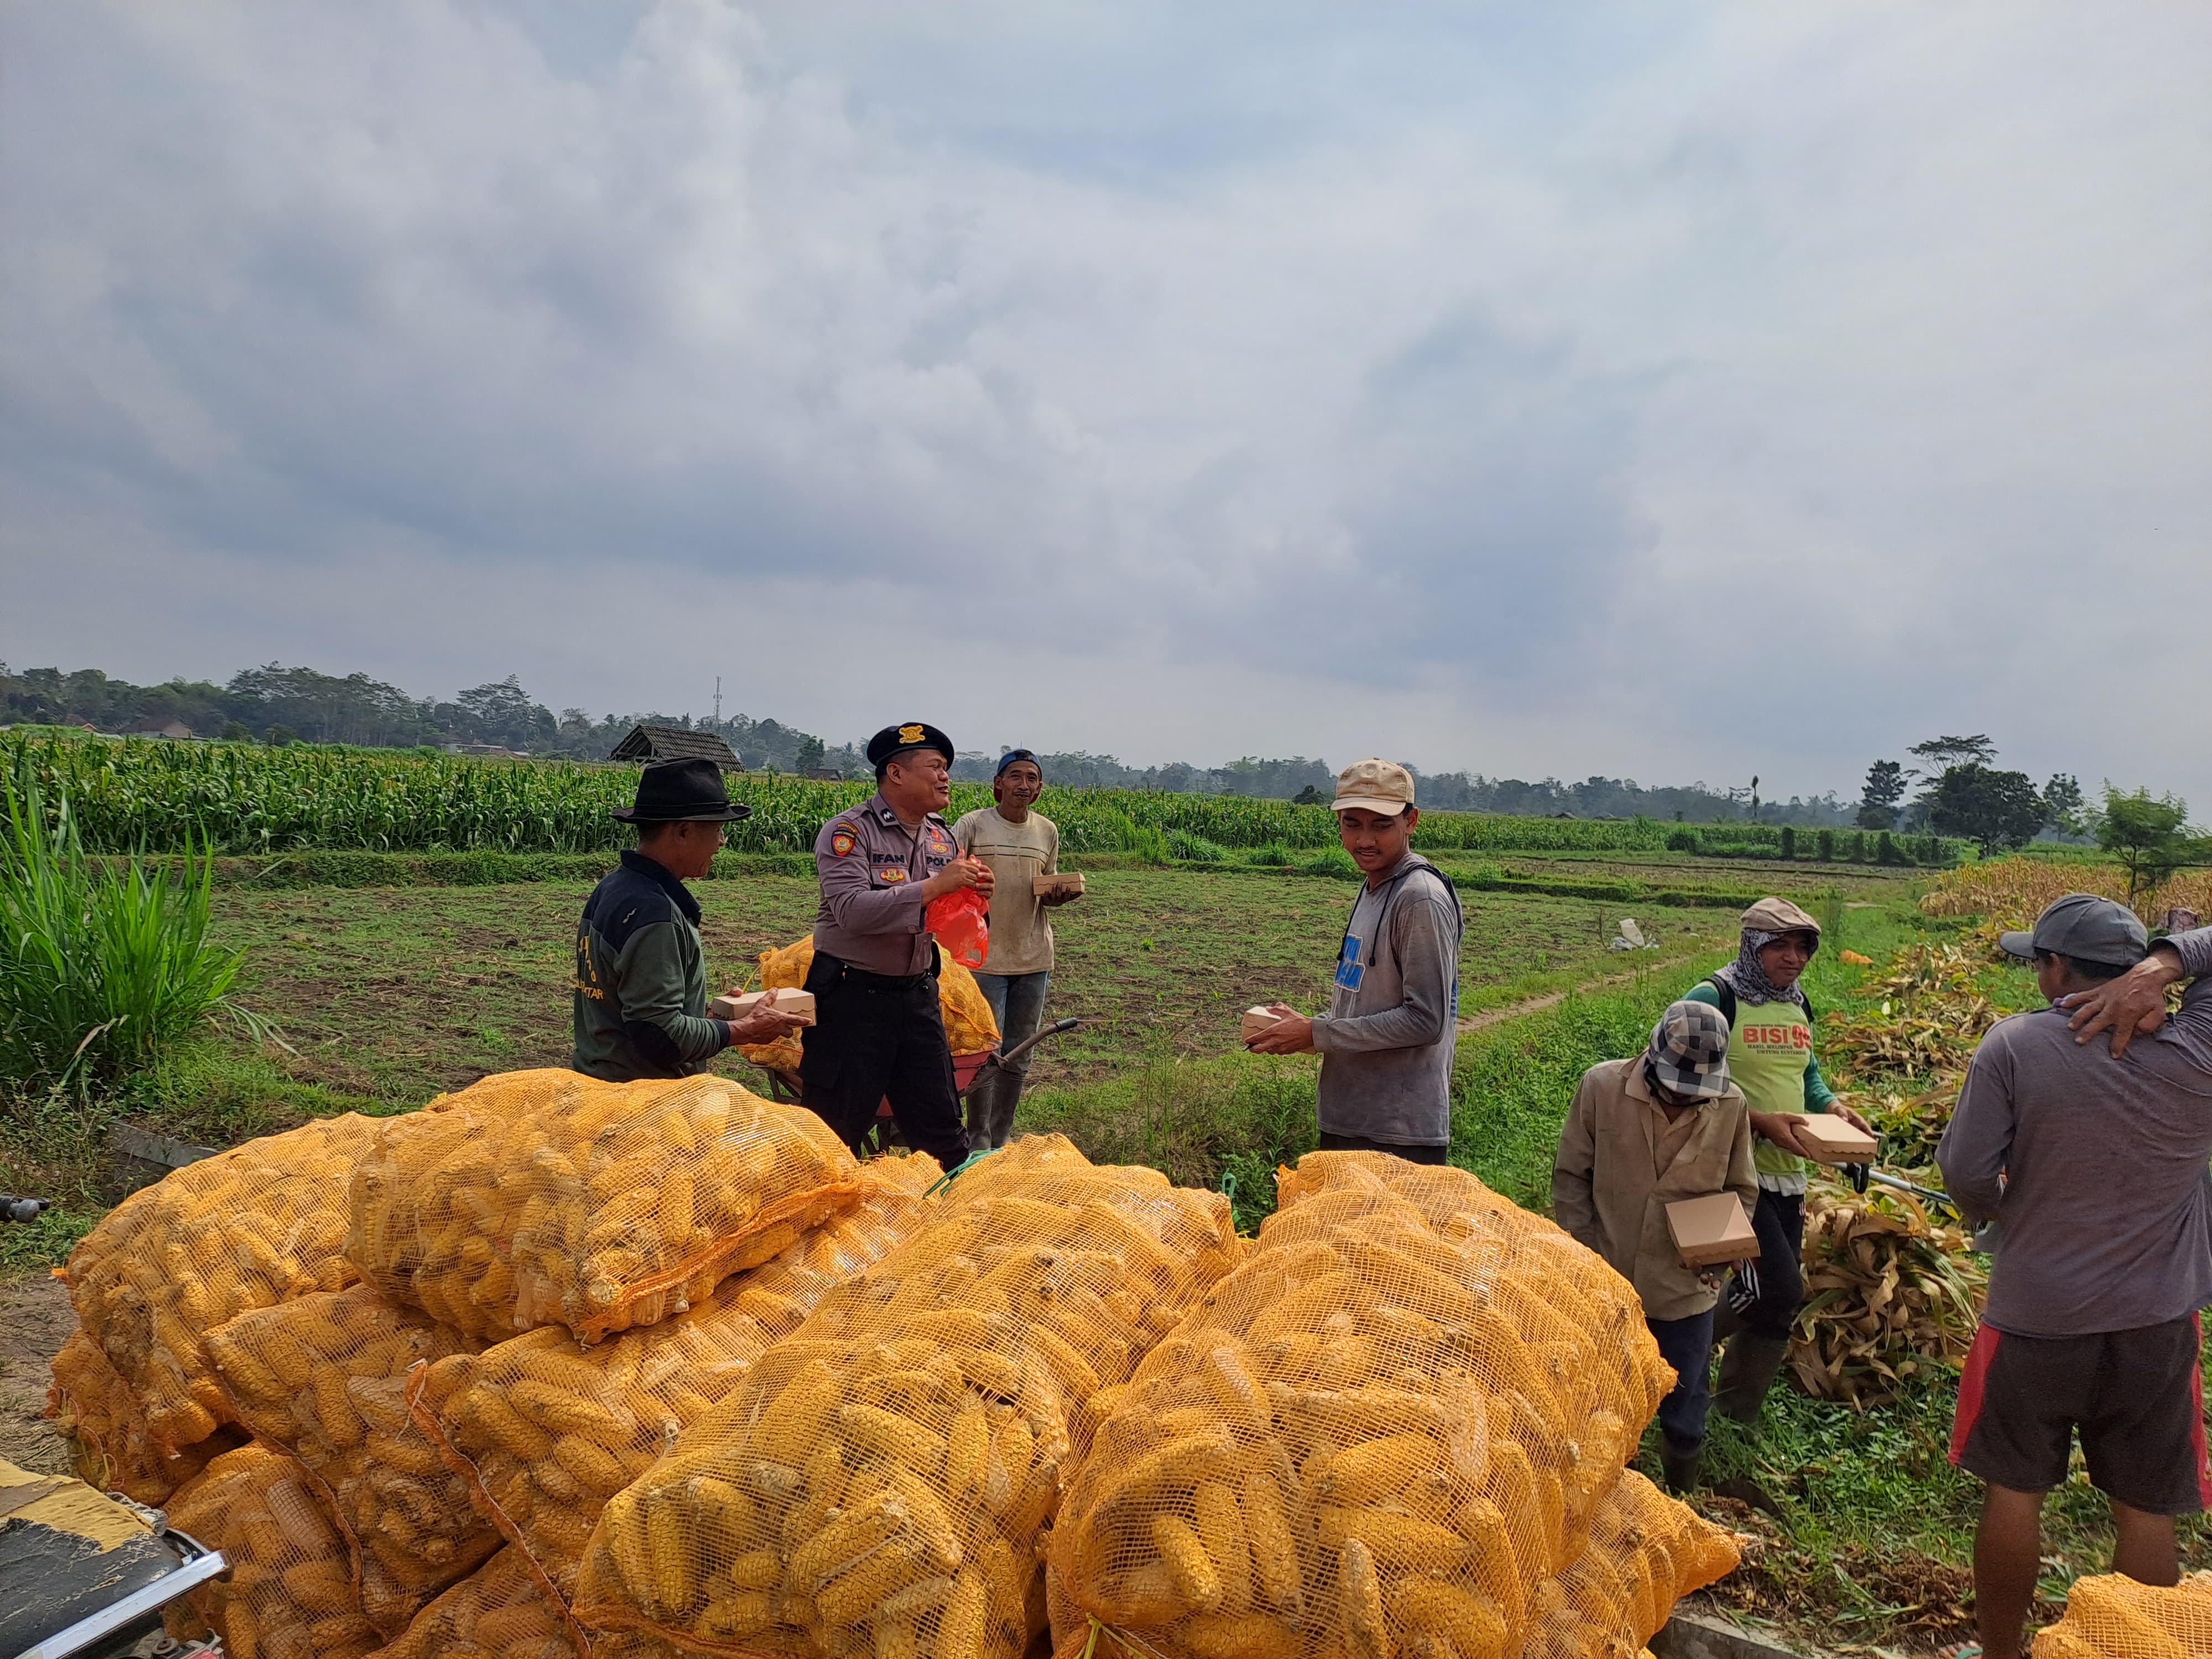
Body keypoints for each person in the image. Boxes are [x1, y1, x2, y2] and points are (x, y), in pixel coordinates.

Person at [1937, 896, 2212, 1659]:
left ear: (2056, 968)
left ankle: (2001, 1654)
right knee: (2146, 1508)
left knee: (2015, 1492)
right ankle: (2139, 1650)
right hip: (2158, 1320)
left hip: (2036, 1315)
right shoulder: (2198, 1047)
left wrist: (1996, 1213)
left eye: (2038, 960)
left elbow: (1965, 1170)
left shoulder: (2017, 1046)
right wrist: (2170, 963)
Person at [1682, 896, 1875, 1425]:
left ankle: (1736, 1413)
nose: (1794, 958)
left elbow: (1806, 1076)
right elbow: (1675, 1078)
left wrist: (1835, 1107)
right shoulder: (1715, 997)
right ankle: (1665, 1353)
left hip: (1787, 1174)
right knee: (1774, 1288)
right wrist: (1761, 1121)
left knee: (1777, 1299)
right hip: (1728, 1170)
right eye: (1780, 946)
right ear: (1751, 946)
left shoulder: (1795, 1003)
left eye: (1803, 947)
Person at [1553, 1000, 1756, 1494]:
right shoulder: (1602, 1088)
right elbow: (1571, 1179)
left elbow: (1742, 1189)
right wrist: (1586, 1256)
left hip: (1683, 1291)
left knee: (1684, 1402)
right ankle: (1595, 1489)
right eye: (1674, 1091)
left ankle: (1679, 1493)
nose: (1682, 1101)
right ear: (1652, 1060)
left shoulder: (1730, 1106)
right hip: (1606, 1277)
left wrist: (1720, 1250)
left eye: (1694, 1096)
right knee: (1597, 1396)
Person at [1246, 758, 1465, 1164]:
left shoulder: (1419, 898)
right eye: (1352, 824)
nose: (1365, 840)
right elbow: (1369, 1001)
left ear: (1411, 821)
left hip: (1396, 1133)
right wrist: (1305, 1027)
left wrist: (1318, 1034)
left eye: (1381, 825)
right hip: (1353, 1118)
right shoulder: (1374, 887)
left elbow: (1426, 1020)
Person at [798, 722, 991, 1170]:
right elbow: (852, 910)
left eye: (946, 769)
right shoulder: (849, 832)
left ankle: (949, 1225)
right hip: (851, 1001)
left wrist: (977, 899)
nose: (946, 777)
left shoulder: (943, 837)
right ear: (896, 774)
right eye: (935, 767)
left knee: (944, 1135)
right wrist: (935, 886)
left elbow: (949, 921)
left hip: (918, 997)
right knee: (832, 1136)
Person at [572, 758, 810, 1082]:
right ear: (683, 832)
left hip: (598, 1076)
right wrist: (742, 1030)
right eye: (717, 830)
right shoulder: (654, 913)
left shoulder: (615, 888)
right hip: (641, 1097)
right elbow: (660, 1035)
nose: (722, 842)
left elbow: (635, 1007)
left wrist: (707, 1019)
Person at [952, 749, 1081, 1148]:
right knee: (983, 1051)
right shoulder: (972, 825)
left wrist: (1058, 895)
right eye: (1014, 777)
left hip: (1033, 955)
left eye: (1031, 779)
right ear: (998, 784)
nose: (1023, 785)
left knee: (1019, 1053)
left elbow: (1045, 888)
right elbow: (946, 878)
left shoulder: (1047, 831)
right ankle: (978, 1140)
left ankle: (1002, 1138)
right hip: (982, 957)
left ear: (1040, 789)